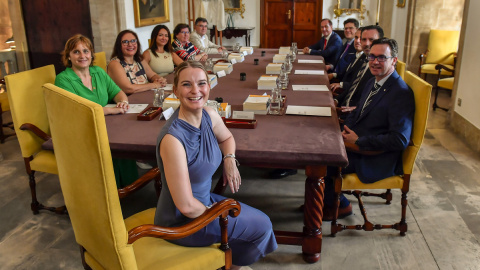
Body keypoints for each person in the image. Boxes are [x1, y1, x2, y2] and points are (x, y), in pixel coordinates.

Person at [155, 61, 277, 269]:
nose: (195, 91)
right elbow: (185, 205)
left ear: (209, 87)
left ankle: (228, 264)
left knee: (262, 221)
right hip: (183, 221)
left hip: (204, 202)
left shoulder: (209, 115)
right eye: (186, 85)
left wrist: (229, 158)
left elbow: (226, 137)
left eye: (201, 83)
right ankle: (231, 265)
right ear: (175, 91)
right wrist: (216, 213)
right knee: (262, 226)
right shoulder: (173, 139)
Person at [323, 38, 415, 221]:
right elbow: (359, 113)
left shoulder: (400, 93)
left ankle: (339, 205)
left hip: (377, 156)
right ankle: (322, 200)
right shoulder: (374, 81)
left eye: (382, 58)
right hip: (359, 142)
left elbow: (399, 139)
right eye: (372, 56)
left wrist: (358, 141)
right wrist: (343, 129)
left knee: (323, 161)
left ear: (394, 61)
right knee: (320, 139)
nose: (375, 62)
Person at [55, 34, 138, 188]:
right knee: (115, 141)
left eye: (86, 51)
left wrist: (123, 102)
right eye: (76, 52)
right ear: (68, 56)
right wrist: (110, 110)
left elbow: (117, 92)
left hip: (107, 123)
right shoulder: (63, 79)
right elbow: (78, 110)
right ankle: (108, 189)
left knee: (127, 135)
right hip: (81, 129)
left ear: (91, 54)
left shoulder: (98, 72)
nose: (82, 56)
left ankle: (128, 185)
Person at [333, 25, 385, 116]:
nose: (367, 43)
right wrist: (336, 100)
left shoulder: (380, 69)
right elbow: (353, 86)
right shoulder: (364, 59)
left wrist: (353, 111)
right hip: (343, 110)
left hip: (353, 116)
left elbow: (375, 104)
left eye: (371, 39)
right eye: (364, 39)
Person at [108, 29, 167, 95]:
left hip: (144, 97)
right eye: (125, 42)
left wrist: (160, 80)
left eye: (133, 41)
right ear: (119, 45)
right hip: (127, 102)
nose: (130, 44)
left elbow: (152, 75)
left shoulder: (139, 59)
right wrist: (155, 85)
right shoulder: (115, 64)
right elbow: (129, 88)